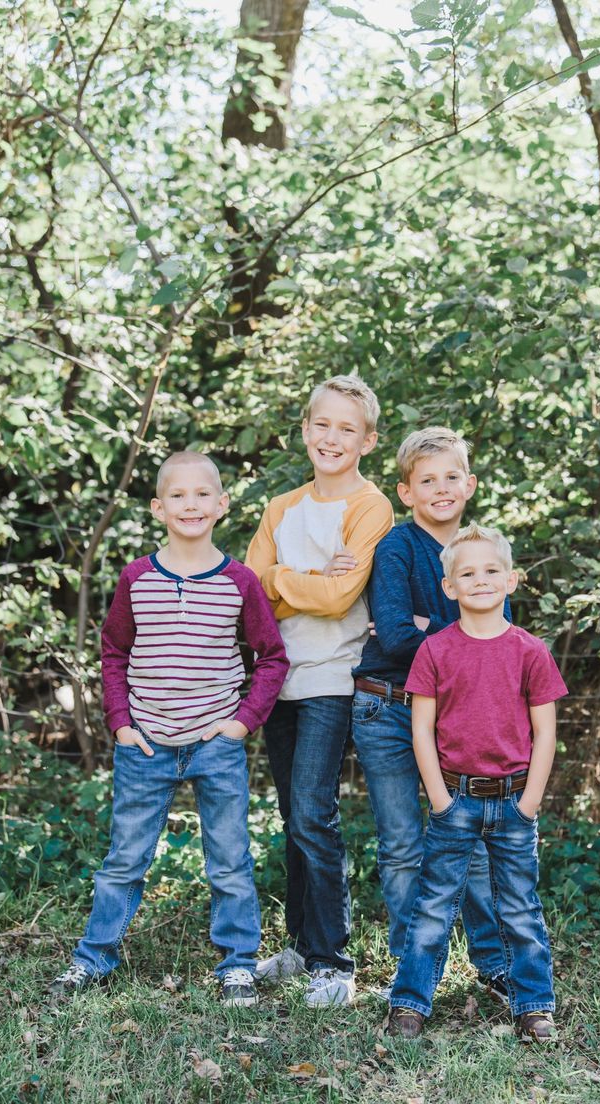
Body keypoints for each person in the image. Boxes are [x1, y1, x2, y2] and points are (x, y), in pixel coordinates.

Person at [49, 451, 288, 1007]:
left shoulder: (239, 581)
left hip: (215, 744)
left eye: (202, 494)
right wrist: (120, 723)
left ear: (222, 505)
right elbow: (114, 651)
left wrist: (241, 722)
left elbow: (271, 657)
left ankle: (238, 965)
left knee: (229, 859)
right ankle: (93, 958)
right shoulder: (137, 578)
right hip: (146, 743)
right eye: (177, 496)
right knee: (125, 859)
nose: (190, 504)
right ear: (158, 507)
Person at [387, 522, 567, 1043]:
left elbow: (545, 731)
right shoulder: (437, 651)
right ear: (450, 587)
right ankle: (410, 1004)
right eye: (467, 573)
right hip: (455, 800)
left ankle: (532, 1005)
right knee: (433, 906)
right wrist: (440, 799)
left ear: (511, 580)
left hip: (513, 801)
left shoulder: (529, 650)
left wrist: (530, 801)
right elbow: (421, 728)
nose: (481, 580)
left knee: (520, 907)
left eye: (491, 571)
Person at [246, 375, 393, 1007]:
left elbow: (340, 602)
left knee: (313, 811)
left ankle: (335, 961)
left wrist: (283, 581)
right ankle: (301, 946)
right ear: (305, 430)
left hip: (334, 678)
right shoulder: (281, 507)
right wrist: (298, 577)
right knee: (291, 816)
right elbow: (251, 595)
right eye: (321, 425)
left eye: (346, 428)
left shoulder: (370, 506)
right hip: (278, 677)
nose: (331, 437)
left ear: (367, 440)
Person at [352, 428, 509, 1002]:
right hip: (385, 708)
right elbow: (393, 637)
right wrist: (461, 631)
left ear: (469, 484)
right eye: (426, 481)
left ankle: (494, 965)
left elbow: (497, 641)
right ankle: (412, 971)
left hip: (455, 714)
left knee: (467, 839)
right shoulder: (396, 547)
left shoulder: (484, 553)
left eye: (451, 477)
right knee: (401, 846)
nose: (440, 489)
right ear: (406, 491)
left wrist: (431, 627)